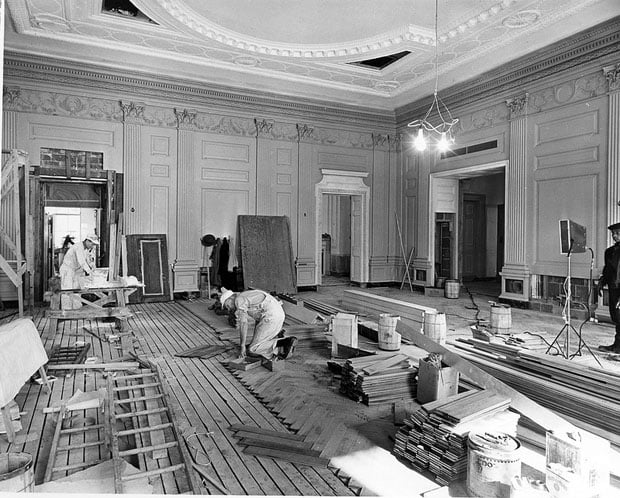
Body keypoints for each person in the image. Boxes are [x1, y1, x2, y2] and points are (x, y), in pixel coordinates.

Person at [219, 288, 297, 361]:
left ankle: (285, 342)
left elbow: (243, 324)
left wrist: (242, 345)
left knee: (253, 349)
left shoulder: (238, 300)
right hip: (278, 315)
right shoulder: (245, 295)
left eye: (227, 305)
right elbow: (258, 320)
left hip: (270, 317)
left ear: (230, 298)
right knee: (253, 345)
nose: (229, 309)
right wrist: (254, 340)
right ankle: (278, 339)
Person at [59, 233, 100, 310]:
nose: (93, 246)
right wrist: (89, 272)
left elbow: (89, 261)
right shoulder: (78, 247)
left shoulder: (87, 249)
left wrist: (93, 268)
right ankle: (66, 312)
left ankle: (77, 311)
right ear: (88, 241)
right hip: (68, 270)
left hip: (76, 271)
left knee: (77, 291)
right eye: (92, 244)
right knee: (67, 291)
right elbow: (82, 261)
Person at [597, 222, 620, 353]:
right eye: (613, 234)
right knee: (616, 317)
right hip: (613, 288)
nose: (614, 236)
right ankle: (617, 346)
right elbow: (608, 270)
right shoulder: (610, 252)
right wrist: (601, 282)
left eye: (617, 233)